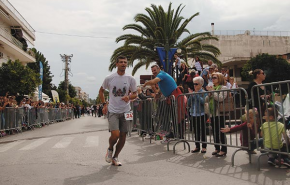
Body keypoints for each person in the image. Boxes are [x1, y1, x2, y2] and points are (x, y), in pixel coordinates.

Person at [99, 55, 137, 166]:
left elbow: (135, 94)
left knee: (123, 136)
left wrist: (129, 97)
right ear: (116, 64)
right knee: (115, 135)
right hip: (113, 111)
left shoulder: (131, 78)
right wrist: (104, 104)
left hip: (127, 111)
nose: (123, 64)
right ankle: (110, 149)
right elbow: (101, 91)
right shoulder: (109, 78)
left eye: (125, 62)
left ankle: (115, 157)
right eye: (121, 62)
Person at [143, 64, 185, 138]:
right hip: (170, 98)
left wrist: (146, 83)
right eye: (152, 71)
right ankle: (174, 133)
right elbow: (160, 90)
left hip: (175, 96)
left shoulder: (161, 74)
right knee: (172, 116)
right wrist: (158, 94)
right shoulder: (160, 77)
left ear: (159, 69)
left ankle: (179, 134)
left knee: (177, 116)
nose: (153, 72)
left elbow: (154, 81)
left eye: (155, 70)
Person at [206, 72, 228, 157]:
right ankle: (217, 148)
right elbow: (207, 99)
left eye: (215, 77)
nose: (213, 79)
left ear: (220, 78)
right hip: (213, 113)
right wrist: (209, 93)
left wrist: (213, 92)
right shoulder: (213, 88)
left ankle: (224, 149)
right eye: (212, 78)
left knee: (221, 131)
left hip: (220, 113)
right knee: (215, 131)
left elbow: (221, 98)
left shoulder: (223, 88)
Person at [188, 77, 208, 153]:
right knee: (196, 131)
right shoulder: (193, 92)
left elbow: (203, 102)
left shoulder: (203, 92)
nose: (194, 85)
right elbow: (189, 103)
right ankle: (197, 146)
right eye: (194, 84)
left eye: (196, 84)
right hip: (193, 113)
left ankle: (204, 147)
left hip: (201, 113)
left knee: (202, 131)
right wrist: (191, 95)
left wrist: (196, 95)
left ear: (201, 84)